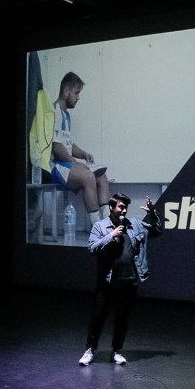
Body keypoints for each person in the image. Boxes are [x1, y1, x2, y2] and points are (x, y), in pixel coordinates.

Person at [78, 192, 162, 366]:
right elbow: (91, 248)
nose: (124, 210)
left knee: (122, 318)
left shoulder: (135, 224)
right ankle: (90, 350)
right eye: (121, 207)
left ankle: (116, 351)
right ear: (111, 207)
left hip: (129, 280)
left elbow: (156, 231)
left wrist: (153, 214)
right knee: (98, 316)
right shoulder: (100, 226)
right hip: (107, 281)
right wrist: (111, 235)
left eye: (126, 207)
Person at [51, 71, 111, 221]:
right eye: (76, 93)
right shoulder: (54, 111)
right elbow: (56, 147)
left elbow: (67, 144)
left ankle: (108, 224)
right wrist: (75, 163)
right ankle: (97, 229)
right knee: (88, 176)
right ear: (66, 91)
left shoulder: (66, 115)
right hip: (55, 166)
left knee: (102, 177)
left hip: (65, 164)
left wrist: (83, 154)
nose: (78, 98)